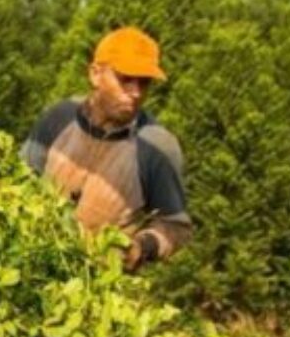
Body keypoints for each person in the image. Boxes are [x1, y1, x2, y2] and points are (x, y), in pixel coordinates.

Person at [20, 26, 191, 270]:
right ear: (95, 75)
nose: (135, 93)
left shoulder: (157, 147)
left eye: (144, 83)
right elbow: (19, 179)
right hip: (30, 265)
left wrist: (142, 247)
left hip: (95, 285)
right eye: (125, 79)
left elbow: (176, 225)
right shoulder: (59, 117)